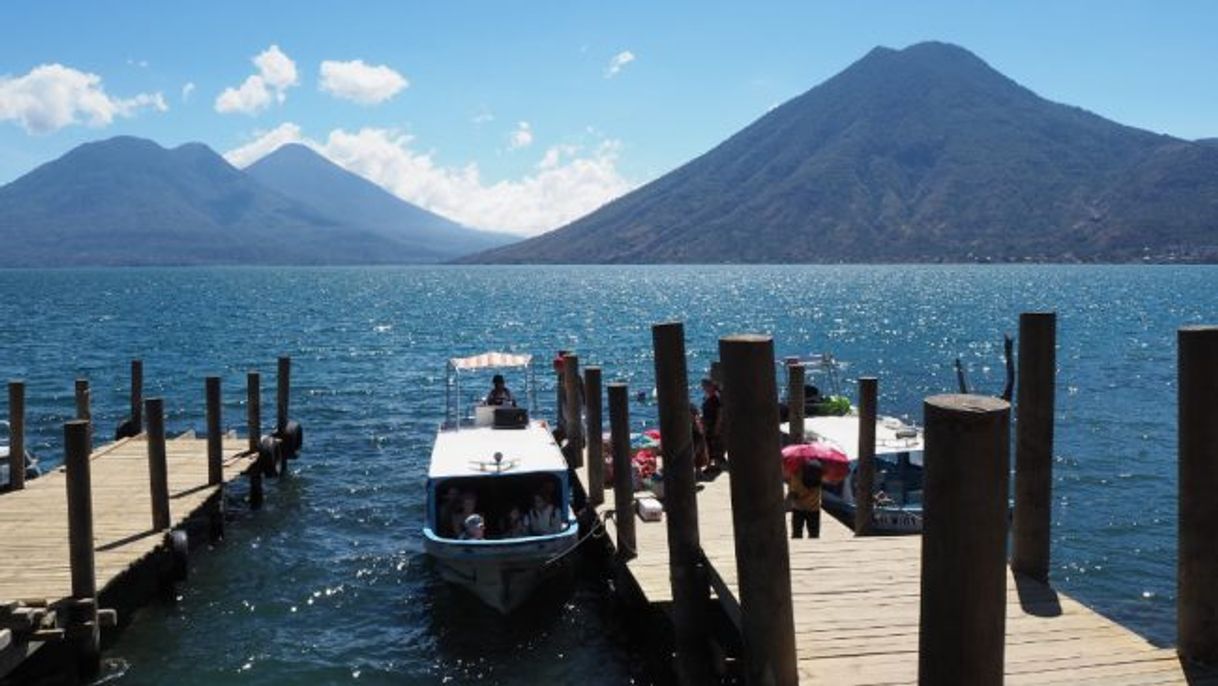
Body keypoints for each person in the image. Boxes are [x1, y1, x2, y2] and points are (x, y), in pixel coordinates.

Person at [787, 459, 822, 539]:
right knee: (814, 534)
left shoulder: (795, 473)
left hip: (798, 508)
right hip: (814, 507)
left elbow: (794, 494)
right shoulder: (818, 471)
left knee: (797, 533)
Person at [700, 378, 725, 472]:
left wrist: (717, 426)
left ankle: (715, 465)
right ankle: (710, 465)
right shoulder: (707, 397)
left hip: (713, 424)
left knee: (713, 444)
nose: (703, 388)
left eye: (704, 386)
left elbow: (720, 412)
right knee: (708, 444)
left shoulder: (716, 397)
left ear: (710, 386)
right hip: (707, 424)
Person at [690, 403, 710, 478]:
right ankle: (699, 472)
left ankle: (698, 472)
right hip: (697, 432)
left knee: (697, 453)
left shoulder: (690, 407)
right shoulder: (692, 406)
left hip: (696, 433)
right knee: (699, 453)